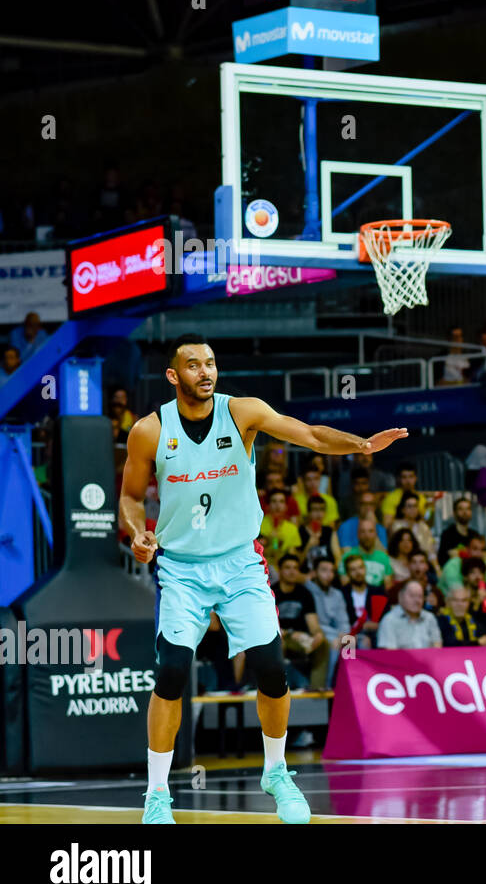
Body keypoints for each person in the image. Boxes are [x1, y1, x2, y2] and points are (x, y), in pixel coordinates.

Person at [119, 333, 406, 824]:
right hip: (182, 568)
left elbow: (311, 435)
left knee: (272, 667)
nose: (205, 371)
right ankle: (157, 794)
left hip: (239, 562)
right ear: (173, 375)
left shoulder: (243, 411)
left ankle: (277, 773)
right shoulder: (148, 430)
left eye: (211, 363)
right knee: (170, 675)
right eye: (193, 365)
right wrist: (136, 533)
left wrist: (360, 444)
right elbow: (128, 497)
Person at [272, 554, 329, 690]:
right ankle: (277, 689)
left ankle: (316, 687)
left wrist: (318, 634)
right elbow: (266, 625)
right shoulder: (271, 593)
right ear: (279, 571)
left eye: (295, 568)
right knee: (279, 641)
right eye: (287, 568)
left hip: (299, 639)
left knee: (323, 644)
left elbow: (313, 624)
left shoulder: (305, 594)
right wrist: (289, 633)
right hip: (277, 637)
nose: (292, 571)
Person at [303, 558, 350, 686]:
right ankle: (328, 686)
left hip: (334, 632)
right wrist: (337, 635)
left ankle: (348, 683)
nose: (328, 575)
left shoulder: (337, 594)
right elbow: (312, 624)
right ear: (314, 573)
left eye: (331, 571)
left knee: (350, 641)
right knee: (334, 643)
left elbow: (343, 620)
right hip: (314, 632)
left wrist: (344, 633)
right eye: (324, 570)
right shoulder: (306, 591)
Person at [377, 580, 444, 650]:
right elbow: (389, 654)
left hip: (428, 660)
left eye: (420, 596)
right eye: (412, 596)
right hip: (400, 660)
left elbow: (437, 647)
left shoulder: (429, 618)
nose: (417, 600)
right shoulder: (389, 620)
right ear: (400, 597)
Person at [340, 553, 387, 648]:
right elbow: (341, 620)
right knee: (352, 640)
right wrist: (361, 626)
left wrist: (377, 625)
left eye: (360, 567)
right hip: (351, 632)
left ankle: (384, 662)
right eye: (353, 569)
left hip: (376, 631)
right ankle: (349, 663)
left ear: (365, 569)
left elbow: (387, 616)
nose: (358, 572)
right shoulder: (342, 594)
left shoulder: (378, 591)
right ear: (347, 573)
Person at [341, 518, 394, 590]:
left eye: (371, 531)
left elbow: (388, 586)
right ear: (358, 535)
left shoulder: (384, 557)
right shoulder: (347, 556)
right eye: (363, 531)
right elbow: (345, 584)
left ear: (376, 534)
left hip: (377, 597)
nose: (367, 535)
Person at [258, 489, 302, 569]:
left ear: (286, 506)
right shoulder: (258, 525)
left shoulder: (292, 529)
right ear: (268, 506)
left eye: (281, 501)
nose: (278, 505)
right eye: (274, 501)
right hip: (261, 567)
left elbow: (293, 555)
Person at [298, 495, 342, 569]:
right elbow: (297, 563)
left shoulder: (329, 531)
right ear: (309, 512)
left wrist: (330, 572)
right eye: (315, 510)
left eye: (322, 510)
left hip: (327, 575)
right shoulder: (300, 532)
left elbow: (338, 558)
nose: (319, 514)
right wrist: (308, 546)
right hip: (307, 576)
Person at [390, 491, 435, 555]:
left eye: (415, 506)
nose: (413, 509)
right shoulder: (396, 525)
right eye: (409, 506)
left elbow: (430, 550)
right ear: (403, 509)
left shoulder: (423, 526)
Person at [437, 496, 478, 565]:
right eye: (461, 509)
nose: (465, 512)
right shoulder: (447, 534)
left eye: (467, 509)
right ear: (454, 513)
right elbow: (443, 559)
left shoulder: (475, 535)